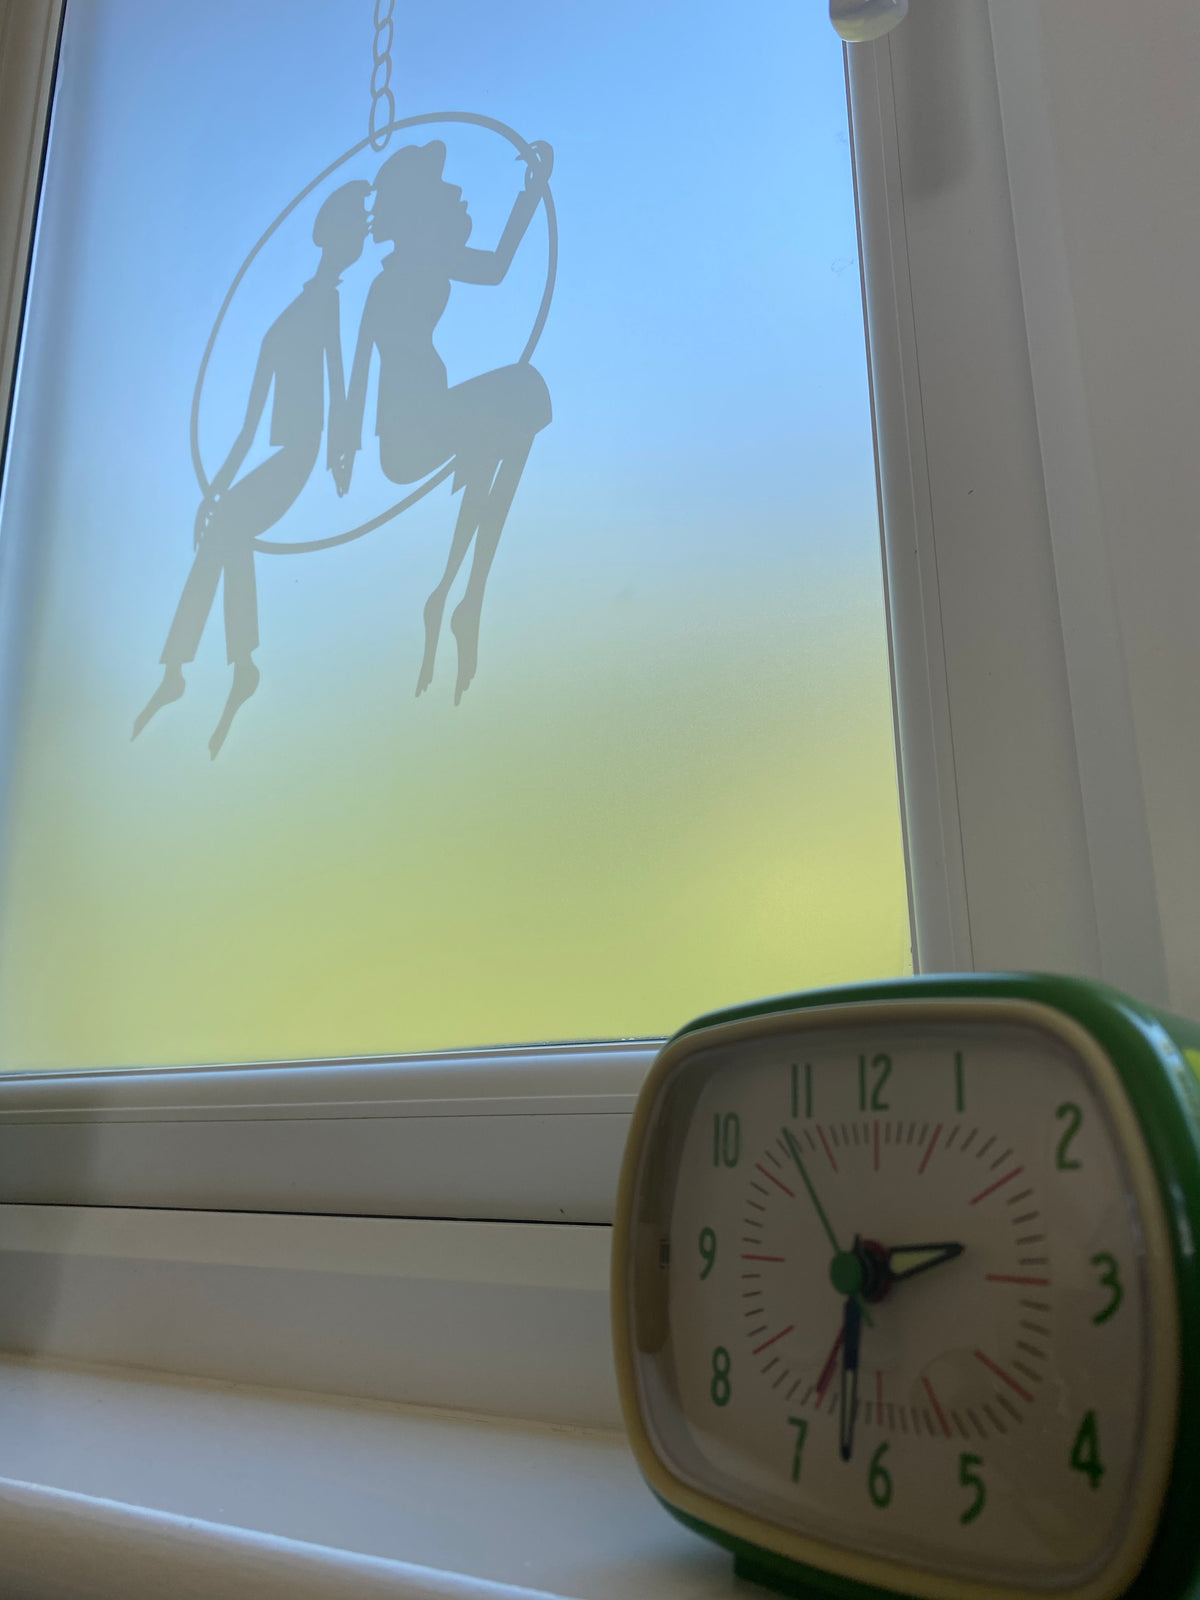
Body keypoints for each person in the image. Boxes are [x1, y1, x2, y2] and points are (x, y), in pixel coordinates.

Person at [134, 181, 371, 757]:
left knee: (228, 528)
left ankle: (203, 667)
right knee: (224, 530)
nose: (357, 239)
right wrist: (213, 491)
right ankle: (216, 666)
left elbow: (338, 382)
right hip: (281, 455)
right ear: (334, 239)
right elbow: (246, 427)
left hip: (299, 456)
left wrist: (345, 449)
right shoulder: (295, 313)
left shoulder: (323, 305)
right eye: (353, 229)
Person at [333, 139, 553, 704]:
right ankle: (464, 598)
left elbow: (499, 267)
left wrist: (531, 194)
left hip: (441, 412)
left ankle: (459, 598)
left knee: (511, 418)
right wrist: (344, 445)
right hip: (408, 435)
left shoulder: (433, 262)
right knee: (519, 395)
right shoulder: (384, 286)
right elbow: (357, 371)